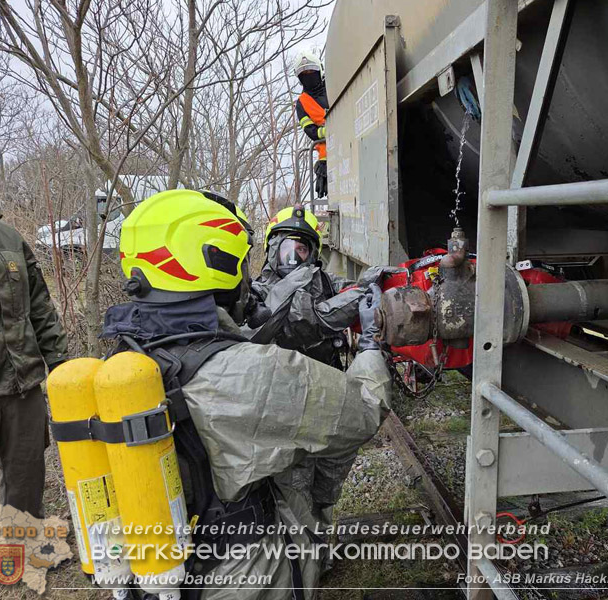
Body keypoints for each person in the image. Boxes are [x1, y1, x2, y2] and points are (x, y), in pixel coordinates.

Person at [100, 189, 391, 599]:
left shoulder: (126, 360)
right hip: (240, 580)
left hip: (158, 579)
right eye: (239, 264)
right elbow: (363, 410)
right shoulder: (248, 372)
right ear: (218, 264)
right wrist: (372, 344)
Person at [0, 147, 68, 586]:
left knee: (26, 478)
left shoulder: (9, 238)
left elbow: (40, 307)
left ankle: (19, 556)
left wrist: (60, 365)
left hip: (23, 386)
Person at [253, 204, 396, 368]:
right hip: (278, 381)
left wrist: (376, 282)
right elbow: (302, 321)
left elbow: (356, 290)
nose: (293, 256)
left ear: (312, 253)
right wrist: (360, 294)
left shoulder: (326, 283)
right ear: (273, 249)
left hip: (327, 379)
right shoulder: (257, 292)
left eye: (301, 248)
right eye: (287, 247)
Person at [293, 51, 328, 199]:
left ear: (319, 71)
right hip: (326, 157)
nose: (309, 76)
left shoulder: (336, 85)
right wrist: (330, 131)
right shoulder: (302, 103)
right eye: (304, 74)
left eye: (311, 72)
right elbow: (311, 131)